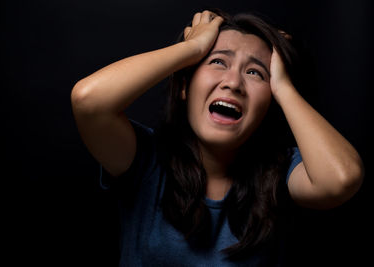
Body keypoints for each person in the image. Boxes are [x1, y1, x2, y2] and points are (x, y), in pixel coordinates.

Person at [71, 9, 364, 266]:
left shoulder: (284, 171)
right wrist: (194, 47)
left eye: (255, 72)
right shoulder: (146, 160)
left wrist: (284, 88)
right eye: (218, 63)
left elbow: (342, 178)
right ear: (185, 87)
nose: (233, 83)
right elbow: (89, 101)